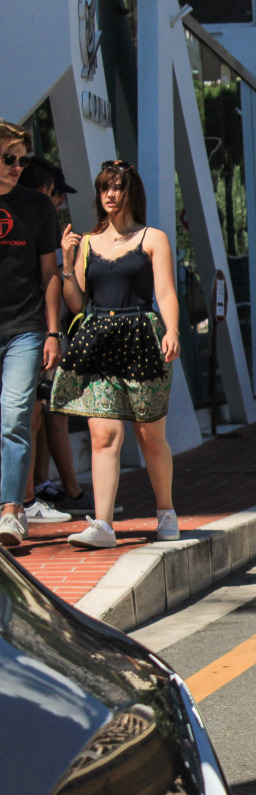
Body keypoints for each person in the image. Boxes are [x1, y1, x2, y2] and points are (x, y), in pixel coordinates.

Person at [50, 159, 182, 549]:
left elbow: (167, 293)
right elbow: (77, 304)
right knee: (104, 433)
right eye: (105, 187)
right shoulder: (88, 241)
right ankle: (103, 525)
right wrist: (68, 262)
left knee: (149, 434)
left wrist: (172, 329)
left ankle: (166, 511)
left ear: (131, 192)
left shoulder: (152, 237)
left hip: (142, 334)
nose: (110, 194)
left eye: (117, 187)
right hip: (99, 337)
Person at [17, 157, 95, 522]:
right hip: (29, 330)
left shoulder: (41, 224)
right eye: (54, 194)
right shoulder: (29, 222)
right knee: (34, 414)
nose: (59, 202)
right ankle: (29, 496)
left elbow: (60, 285)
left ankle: (39, 489)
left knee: (44, 410)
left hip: (40, 331)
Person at [0, 121, 64, 547]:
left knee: (14, 415)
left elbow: (50, 273)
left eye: (21, 159)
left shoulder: (39, 209)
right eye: (8, 158)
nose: (17, 167)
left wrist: (53, 331)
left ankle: (11, 510)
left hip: (24, 328)